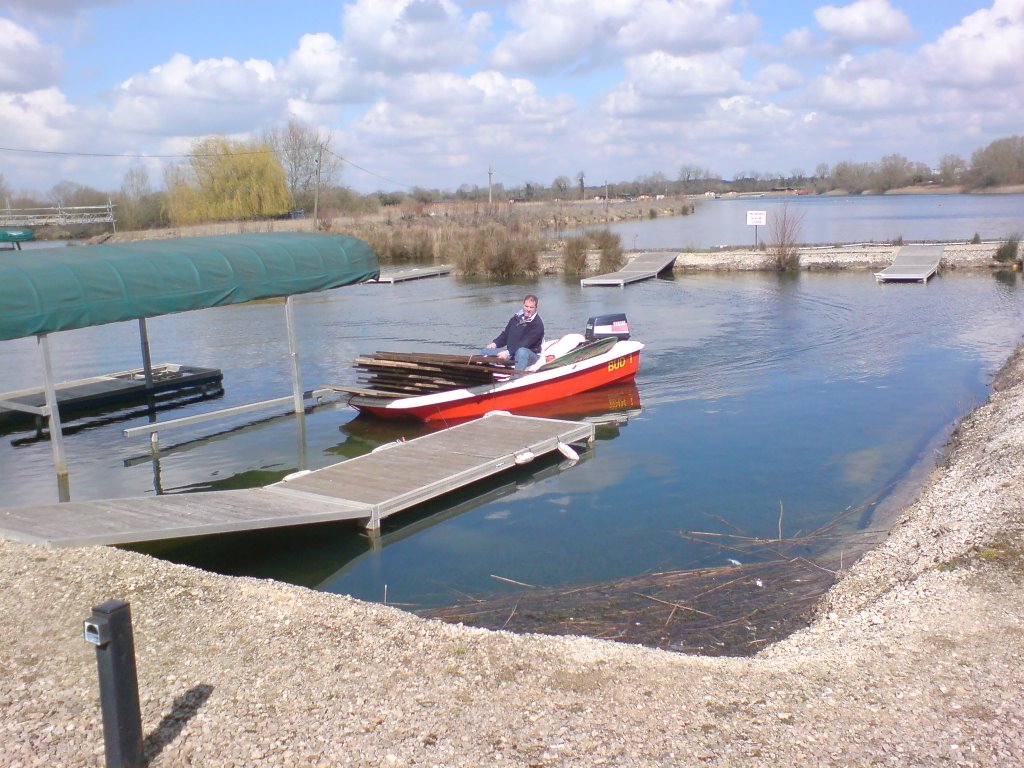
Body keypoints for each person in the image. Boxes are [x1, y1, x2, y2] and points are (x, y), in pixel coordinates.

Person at [481, 294, 545, 370]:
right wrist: (494, 344)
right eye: (526, 306)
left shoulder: (537, 324)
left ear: (535, 308)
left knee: (521, 352)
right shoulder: (515, 319)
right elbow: (505, 335)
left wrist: (507, 353)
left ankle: (515, 377)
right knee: (485, 351)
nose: (528, 309)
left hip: (530, 354)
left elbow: (524, 344)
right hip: (512, 352)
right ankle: (489, 375)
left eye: (531, 307)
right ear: (523, 305)